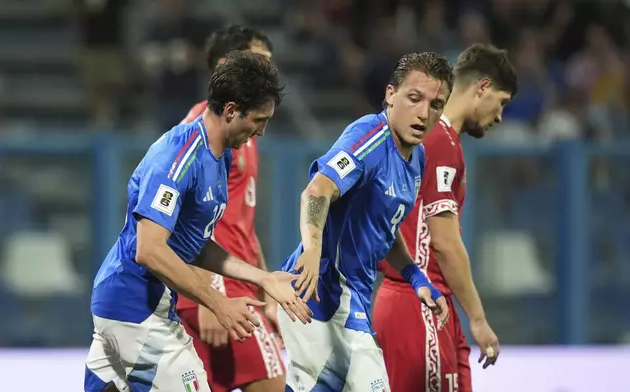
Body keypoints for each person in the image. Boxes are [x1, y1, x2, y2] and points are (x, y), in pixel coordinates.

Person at [84, 51, 312, 392]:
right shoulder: (177, 157)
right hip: (134, 306)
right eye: (259, 120)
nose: (262, 131)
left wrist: (262, 277)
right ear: (231, 110)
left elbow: (194, 247)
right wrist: (218, 303)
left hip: (142, 305)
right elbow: (149, 250)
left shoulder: (219, 156)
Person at [278, 52, 455, 391]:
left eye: (436, 105)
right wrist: (312, 250)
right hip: (322, 294)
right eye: (414, 98)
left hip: (351, 299)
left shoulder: (416, 157)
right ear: (391, 94)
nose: (423, 113)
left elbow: (385, 229)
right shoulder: (370, 137)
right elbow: (317, 190)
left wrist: (416, 276)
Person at [374, 43, 518, 392]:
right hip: (419, 302)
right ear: (482, 87)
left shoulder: (434, 139)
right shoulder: (439, 141)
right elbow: (444, 242)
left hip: (426, 301)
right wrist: (479, 319)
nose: (499, 116)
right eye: (501, 102)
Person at [176, 25, 286, 392]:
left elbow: (242, 223)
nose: (270, 75)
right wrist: (208, 297)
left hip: (237, 287)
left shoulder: (247, 131)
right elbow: (183, 215)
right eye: (259, 64)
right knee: (273, 383)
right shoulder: (202, 130)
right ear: (228, 66)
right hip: (219, 292)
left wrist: (266, 288)